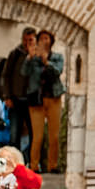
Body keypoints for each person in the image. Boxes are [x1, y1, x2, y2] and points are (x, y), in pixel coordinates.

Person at [20, 31, 67, 173]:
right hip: (36, 99)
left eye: (46, 38)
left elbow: (57, 71)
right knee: (37, 136)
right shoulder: (32, 59)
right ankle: (34, 165)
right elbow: (23, 72)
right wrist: (29, 57)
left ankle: (52, 165)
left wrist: (47, 61)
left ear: (51, 41)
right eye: (41, 38)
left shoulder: (57, 57)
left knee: (53, 136)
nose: (43, 41)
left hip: (53, 98)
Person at [2, 27, 38, 150]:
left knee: (34, 133)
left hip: (32, 100)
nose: (27, 42)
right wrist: (7, 96)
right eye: (25, 40)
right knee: (14, 134)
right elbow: (6, 75)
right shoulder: (15, 54)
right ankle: (15, 162)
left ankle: (33, 164)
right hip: (16, 99)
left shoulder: (38, 55)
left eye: (30, 40)